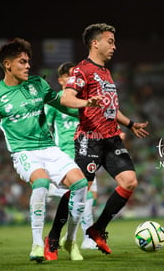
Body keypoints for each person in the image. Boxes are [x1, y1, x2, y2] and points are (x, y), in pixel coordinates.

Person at [0, 38, 103, 262]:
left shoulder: (38, 84)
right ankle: (37, 244)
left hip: (49, 148)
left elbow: (62, 105)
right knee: (42, 182)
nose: (28, 65)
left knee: (80, 183)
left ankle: (70, 240)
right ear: (7, 64)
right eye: (22, 61)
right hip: (24, 152)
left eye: (28, 61)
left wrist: (89, 108)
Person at [58, 22, 149, 255]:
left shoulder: (106, 72)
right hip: (90, 138)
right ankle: (52, 237)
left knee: (129, 181)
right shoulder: (82, 70)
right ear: (95, 43)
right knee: (80, 189)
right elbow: (67, 98)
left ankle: (97, 229)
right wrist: (87, 102)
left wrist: (130, 124)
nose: (114, 47)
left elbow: (110, 108)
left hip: (111, 138)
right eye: (110, 41)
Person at [44, 62, 98, 258]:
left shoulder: (84, 101)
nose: (74, 79)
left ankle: (82, 238)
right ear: (60, 80)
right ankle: (56, 238)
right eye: (69, 76)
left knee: (87, 198)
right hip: (65, 156)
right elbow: (46, 129)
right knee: (72, 200)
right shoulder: (56, 102)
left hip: (86, 153)